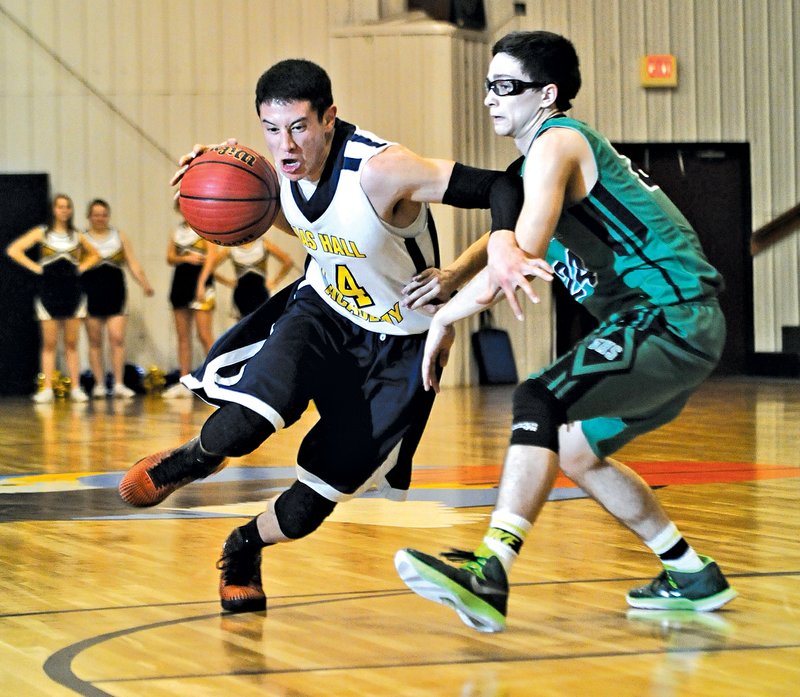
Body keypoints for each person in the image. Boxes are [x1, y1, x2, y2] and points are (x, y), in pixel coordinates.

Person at [118, 58, 519, 614]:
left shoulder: (385, 169)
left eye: (299, 127)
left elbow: (504, 186)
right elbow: (305, 221)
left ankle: (243, 547)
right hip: (323, 311)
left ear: (329, 118)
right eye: (271, 129)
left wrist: (460, 274)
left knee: (311, 506)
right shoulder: (273, 172)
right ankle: (191, 460)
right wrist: (213, 178)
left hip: (402, 343)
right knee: (247, 418)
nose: (285, 145)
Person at [394, 31, 737, 633]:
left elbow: (520, 250)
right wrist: (455, 274)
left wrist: (445, 318)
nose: (491, 100)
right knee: (577, 450)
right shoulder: (538, 162)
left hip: (668, 312)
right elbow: (509, 233)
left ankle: (489, 570)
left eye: (507, 87)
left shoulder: (558, 143)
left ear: (547, 94)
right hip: (676, 325)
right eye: (488, 86)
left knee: (538, 398)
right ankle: (689, 572)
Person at [6, 194, 99, 403]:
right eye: (60, 207)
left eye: (67, 207)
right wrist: (38, 268)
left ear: (71, 210)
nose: (64, 210)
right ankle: (47, 388)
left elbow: (95, 254)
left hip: (72, 292)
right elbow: (14, 250)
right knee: (49, 343)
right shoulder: (42, 232)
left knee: (72, 343)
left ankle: (75, 387)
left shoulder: (77, 235)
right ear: (53, 210)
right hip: (48, 292)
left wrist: (80, 267)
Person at [81, 198, 155, 398]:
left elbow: (133, 263)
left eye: (103, 214)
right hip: (90, 292)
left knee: (117, 338)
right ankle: (98, 384)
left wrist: (145, 284)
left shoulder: (119, 236)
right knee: (95, 341)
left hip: (115, 291)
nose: (100, 218)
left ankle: (119, 383)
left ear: (108, 216)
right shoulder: (82, 239)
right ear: (89, 217)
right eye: (96, 214)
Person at [161, 205, 218, 398]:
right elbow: (169, 257)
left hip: (200, 283)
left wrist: (202, 283)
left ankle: (216, 378)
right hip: (180, 283)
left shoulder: (205, 228)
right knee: (182, 336)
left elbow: (212, 256)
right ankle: (184, 380)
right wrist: (183, 257)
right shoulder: (176, 231)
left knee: (204, 334)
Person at [196, 237, 295, 319]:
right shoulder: (231, 248)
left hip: (260, 292)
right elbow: (209, 268)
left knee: (264, 323)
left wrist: (275, 282)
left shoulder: (262, 243)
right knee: (244, 328)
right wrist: (227, 282)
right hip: (241, 294)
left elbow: (288, 262)